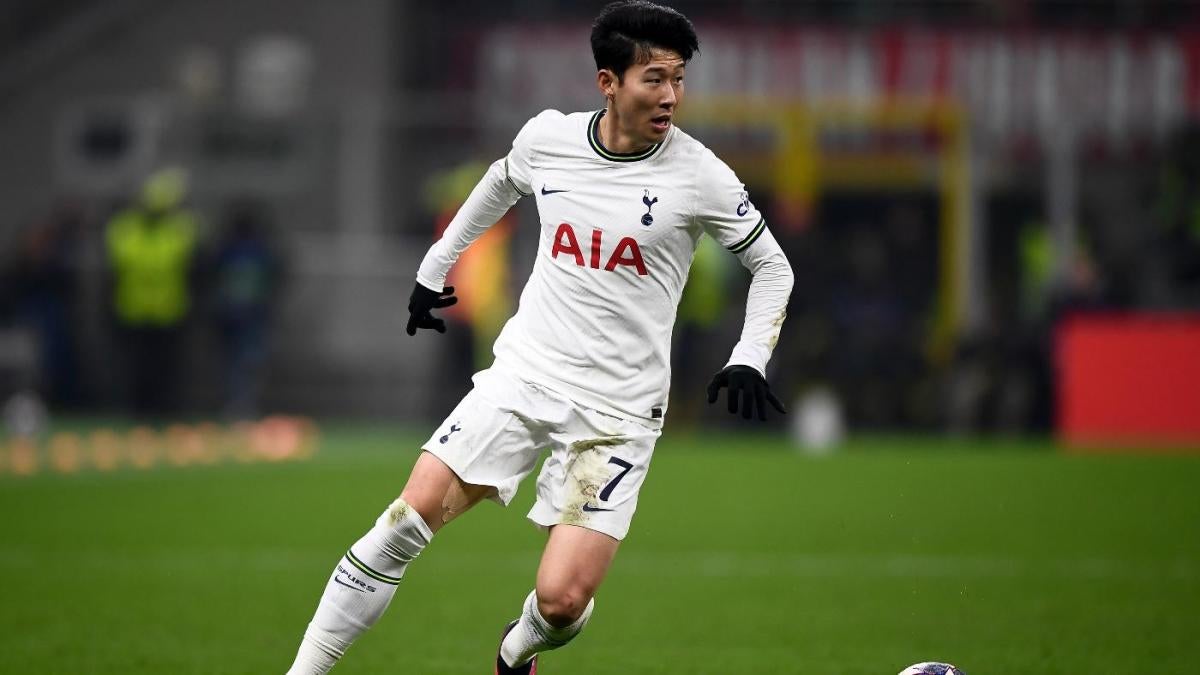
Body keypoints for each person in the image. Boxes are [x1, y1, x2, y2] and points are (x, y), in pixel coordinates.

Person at [285, 2, 793, 673]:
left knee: (560, 601)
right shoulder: (548, 139)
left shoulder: (699, 175)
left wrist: (750, 356)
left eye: (678, 79)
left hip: (617, 413)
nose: (670, 95)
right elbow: (496, 186)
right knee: (402, 521)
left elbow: (772, 265)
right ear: (608, 82)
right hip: (526, 375)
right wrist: (435, 268)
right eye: (653, 78)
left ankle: (516, 648)